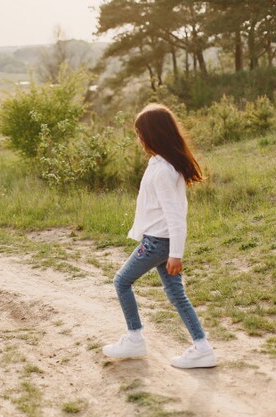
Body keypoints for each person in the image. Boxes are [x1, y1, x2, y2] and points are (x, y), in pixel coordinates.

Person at [102, 103, 216, 369]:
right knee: (176, 293)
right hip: (157, 241)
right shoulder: (159, 163)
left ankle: (134, 338)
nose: (138, 138)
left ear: (154, 134)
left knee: (121, 282)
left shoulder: (164, 171)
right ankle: (202, 348)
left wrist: (176, 253)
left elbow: (176, 216)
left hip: (158, 243)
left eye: (141, 133)